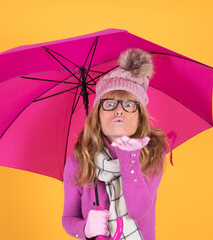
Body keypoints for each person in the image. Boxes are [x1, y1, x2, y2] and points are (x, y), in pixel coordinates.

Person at [62, 48, 169, 240]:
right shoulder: (78, 161)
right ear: (97, 116)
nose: (119, 111)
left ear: (139, 117)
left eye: (128, 105)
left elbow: (138, 211)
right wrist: (85, 228)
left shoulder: (152, 153)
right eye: (109, 104)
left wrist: (129, 156)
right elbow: (68, 218)